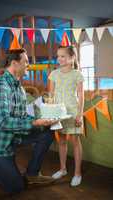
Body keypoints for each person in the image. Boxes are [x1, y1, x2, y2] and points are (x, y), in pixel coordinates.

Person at [0, 48, 57, 194]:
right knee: (16, 188)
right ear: (15, 64)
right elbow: (3, 122)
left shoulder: (19, 89)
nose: (29, 64)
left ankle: (32, 173)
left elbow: (22, 117)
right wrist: (34, 123)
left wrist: (40, 121)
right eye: (26, 61)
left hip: (14, 136)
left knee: (47, 132)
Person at [48, 45, 84, 186]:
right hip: (58, 112)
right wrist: (51, 112)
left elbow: (81, 96)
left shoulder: (77, 74)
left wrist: (79, 115)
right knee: (61, 140)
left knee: (75, 142)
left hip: (73, 111)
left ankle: (77, 173)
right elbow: (51, 95)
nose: (59, 59)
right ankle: (63, 169)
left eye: (63, 56)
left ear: (72, 58)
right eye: (58, 56)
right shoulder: (54, 74)